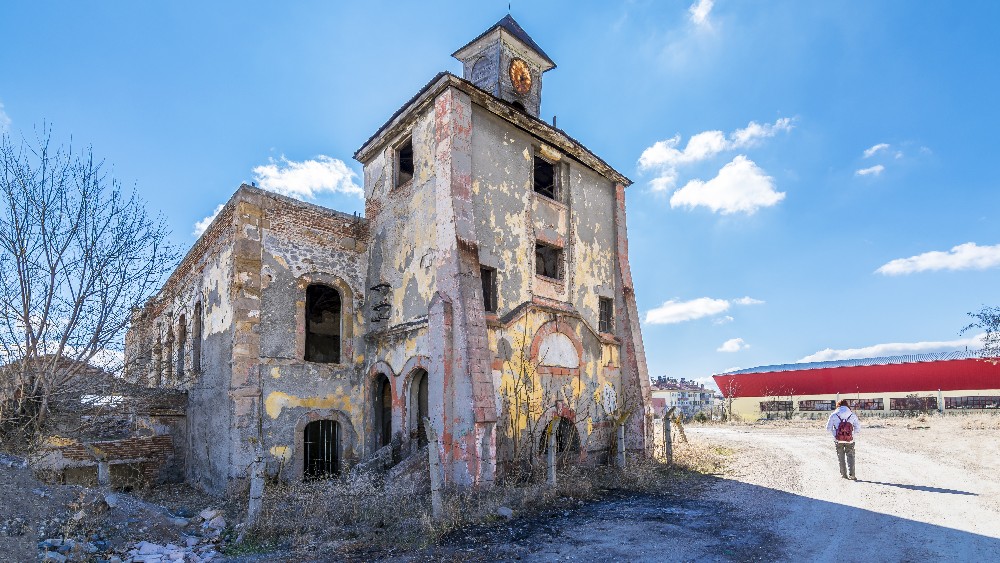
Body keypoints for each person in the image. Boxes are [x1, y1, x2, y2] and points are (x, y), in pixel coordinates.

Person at [826, 399, 861, 480]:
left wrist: (835, 434)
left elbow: (828, 429)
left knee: (840, 456)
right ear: (847, 405)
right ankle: (852, 474)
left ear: (838, 405)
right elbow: (858, 429)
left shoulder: (833, 415)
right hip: (850, 440)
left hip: (838, 440)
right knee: (850, 455)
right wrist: (852, 435)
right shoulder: (852, 415)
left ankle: (843, 475)